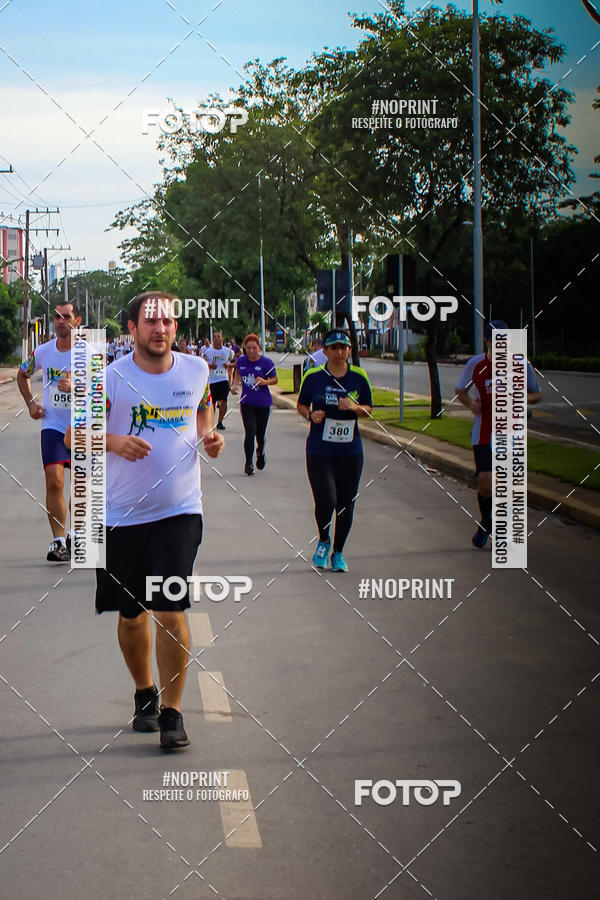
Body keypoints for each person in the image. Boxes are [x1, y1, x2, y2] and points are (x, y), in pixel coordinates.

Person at [66, 291, 224, 751]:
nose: (161, 329)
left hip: (179, 511)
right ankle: (144, 693)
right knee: (132, 615)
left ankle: (173, 713)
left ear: (176, 328)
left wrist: (208, 437)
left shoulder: (196, 369)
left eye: (168, 322)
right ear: (131, 329)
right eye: (150, 322)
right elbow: (75, 434)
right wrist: (114, 442)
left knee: (169, 608)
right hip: (117, 517)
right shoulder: (108, 377)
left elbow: (201, 413)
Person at [456, 319, 542, 549]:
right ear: (487, 341)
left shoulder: (522, 365)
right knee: (485, 482)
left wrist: (521, 398)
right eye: (495, 340)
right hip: (483, 433)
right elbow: (460, 389)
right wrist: (469, 404)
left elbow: (536, 394)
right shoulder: (476, 364)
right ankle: (487, 521)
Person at [297, 329, 373, 573]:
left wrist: (354, 406)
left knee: (346, 504)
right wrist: (310, 414)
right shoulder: (313, 376)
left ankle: (338, 551)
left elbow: (370, 409)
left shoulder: (359, 377)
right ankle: (323, 539)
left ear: (349, 350)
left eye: (344, 347)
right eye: (335, 347)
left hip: (350, 451)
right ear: (326, 351)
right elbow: (301, 404)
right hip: (320, 449)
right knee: (326, 499)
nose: (340, 352)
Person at [17, 301, 82, 562]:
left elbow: (103, 392)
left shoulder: (90, 352)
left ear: (77, 320)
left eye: (66, 316)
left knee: (81, 486)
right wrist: (31, 403)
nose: (60, 321)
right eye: (57, 316)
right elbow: (22, 374)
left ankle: (77, 533)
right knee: (54, 481)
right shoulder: (43, 352)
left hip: (83, 426)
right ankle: (58, 541)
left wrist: (75, 388)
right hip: (53, 426)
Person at [231, 333, 278, 475]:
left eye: (254, 348)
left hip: (263, 403)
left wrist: (265, 382)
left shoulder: (266, 363)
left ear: (258, 348)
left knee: (260, 434)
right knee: (250, 432)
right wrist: (234, 385)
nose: (251, 351)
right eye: (248, 348)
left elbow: (275, 379)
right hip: (247, 402)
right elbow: (238, 373)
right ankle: (248, 463)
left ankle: (261, 452)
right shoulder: (242, 361)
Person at [204, 331, 234, 430]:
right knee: (211, 403)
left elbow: (235, 362)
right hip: (212, 380)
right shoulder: (208, 352)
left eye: (219, 336)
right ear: (213, 339)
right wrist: (210, 366)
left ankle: (220, 421)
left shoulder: (228, 351)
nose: (217, 338)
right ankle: (210, 421)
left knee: (224, 400)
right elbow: (202, 364)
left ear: (222, 338)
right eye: (215, 337)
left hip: (223, 379)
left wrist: (229, 365)